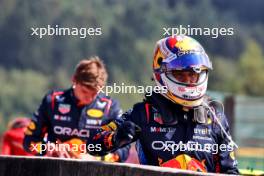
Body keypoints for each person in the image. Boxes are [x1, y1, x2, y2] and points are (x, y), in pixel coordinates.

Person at [86, 35, 239, 174]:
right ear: (161, 74)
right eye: (180, 74)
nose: (189, 81)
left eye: (193, 74)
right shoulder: (143, 113)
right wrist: (115, 138)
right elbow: (92, 145)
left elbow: (230, 171)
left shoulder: (215, 119)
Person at [23, 56, 130, 162]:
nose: (89, 98)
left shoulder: (110, 107)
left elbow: (123, 148)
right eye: (84, 91)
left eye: (94, 93)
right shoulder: (52, 101)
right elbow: (29, 142)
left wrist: (96, 158)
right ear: (74, 79)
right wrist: (47, 149)